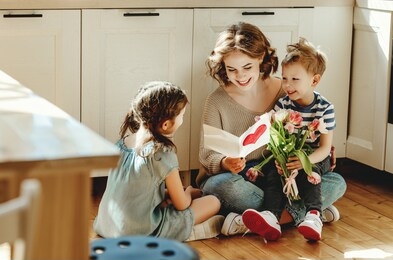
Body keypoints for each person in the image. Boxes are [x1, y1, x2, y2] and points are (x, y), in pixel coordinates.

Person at [196, 22, 346, 237]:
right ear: (223, 67)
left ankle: (255, 220)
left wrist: (317, 152)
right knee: (224, 186)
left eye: (247, 67)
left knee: (337, 183)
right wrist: (224, 162)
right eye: (232, 70)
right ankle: (306, 214)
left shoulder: (286, 90)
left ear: (261, 59)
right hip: (243, 177)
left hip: (281, 174)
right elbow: (206, 154)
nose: (240, 76)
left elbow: (312, 122)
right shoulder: (216, 101)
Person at [93, 81, 223, 242]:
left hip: (107, 226)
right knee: (213, 202)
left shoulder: (121, 144)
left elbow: (133, 190)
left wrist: (168, 194)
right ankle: (188, 232)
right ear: (167, 124)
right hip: (142, 232)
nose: (183, 119)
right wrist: (188, 191)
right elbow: (182, 204)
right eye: (182, 115)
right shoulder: (161, 153)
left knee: (174, 199)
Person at [242, 37, 333, 241]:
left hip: (314, 157)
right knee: (275, 172)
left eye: (295, 79)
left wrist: (305, 162)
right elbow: (274, 134)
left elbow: (325, 148)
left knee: (312, 175)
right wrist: (282, 158)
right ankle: (271, 216)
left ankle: (313, 215)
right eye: (284, 78)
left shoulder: (324, 108)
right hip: (288, 155)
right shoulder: (283, 105)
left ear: (314, 80)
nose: (287, 85)